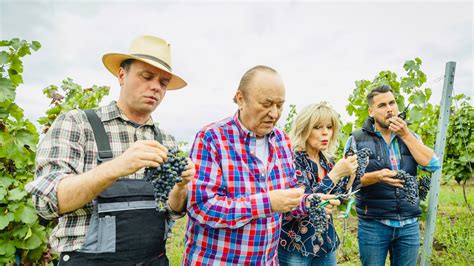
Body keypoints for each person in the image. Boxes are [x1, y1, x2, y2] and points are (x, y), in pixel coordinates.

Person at [26, 35, 195, 265]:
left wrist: (181, 186)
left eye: (163, 82)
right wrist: (115, 167)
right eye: (146, 76)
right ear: (122, 76)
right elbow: (46, 204)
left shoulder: (165, 140)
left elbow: (173, 210)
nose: (155, 86)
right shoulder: (77, 124)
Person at [183, 65, 317, 265]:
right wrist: (266, 203)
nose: (274, 113)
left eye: (280, 105)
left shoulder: (282, 140)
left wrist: (308, 202)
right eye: (266, 103)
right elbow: (201, 208)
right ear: (240, 99)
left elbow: (286, 199)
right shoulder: (212, 138)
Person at [346, 85, 440, 266]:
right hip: (373, 225)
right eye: (382, 105)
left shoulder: (410, 136)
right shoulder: (356, 139)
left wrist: (405, 135)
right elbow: (347, 183)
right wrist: (376, 177)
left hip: (409, 224)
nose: (389, 109)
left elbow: (433, 165)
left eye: (392, 103)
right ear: (371, 111)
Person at [278, 102, 358, 266]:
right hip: (296, 245)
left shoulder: (327, 162)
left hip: (325, 243)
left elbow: (339, 198)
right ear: (304, 129)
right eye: (317, 127)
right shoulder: (292, 160)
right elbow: (305, 200)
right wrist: (335, 174)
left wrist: (352, 174)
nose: (325, 133)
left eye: (329, 127)